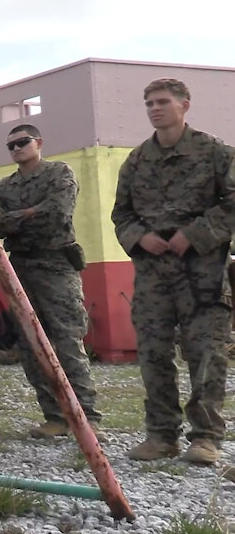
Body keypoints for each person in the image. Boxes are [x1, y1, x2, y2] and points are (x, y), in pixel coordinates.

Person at [110, 77, 234, 465]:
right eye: (148, 103)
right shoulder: (137, 160)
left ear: (185, 105)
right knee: (153, 353)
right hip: (153, 272)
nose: (154, 109)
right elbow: (121, 213)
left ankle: (206, 437)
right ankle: (161, 435)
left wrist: (195, 234)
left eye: (162, 102)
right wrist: (139, 237)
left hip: (203, 271)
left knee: (206, 354)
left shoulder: (214, 152)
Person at [0, 125, 102, 439]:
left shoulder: (58, 173)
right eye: (10, 145)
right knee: (30, 345)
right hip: (21, 267)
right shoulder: (3, 187)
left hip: (56, 264)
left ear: (38, 142)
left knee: (67, 342)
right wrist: (28, 215)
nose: (16, 149)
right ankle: (54, 416)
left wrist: (17, 217)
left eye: (22, 143)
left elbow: (58, 212)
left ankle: (86, 417)